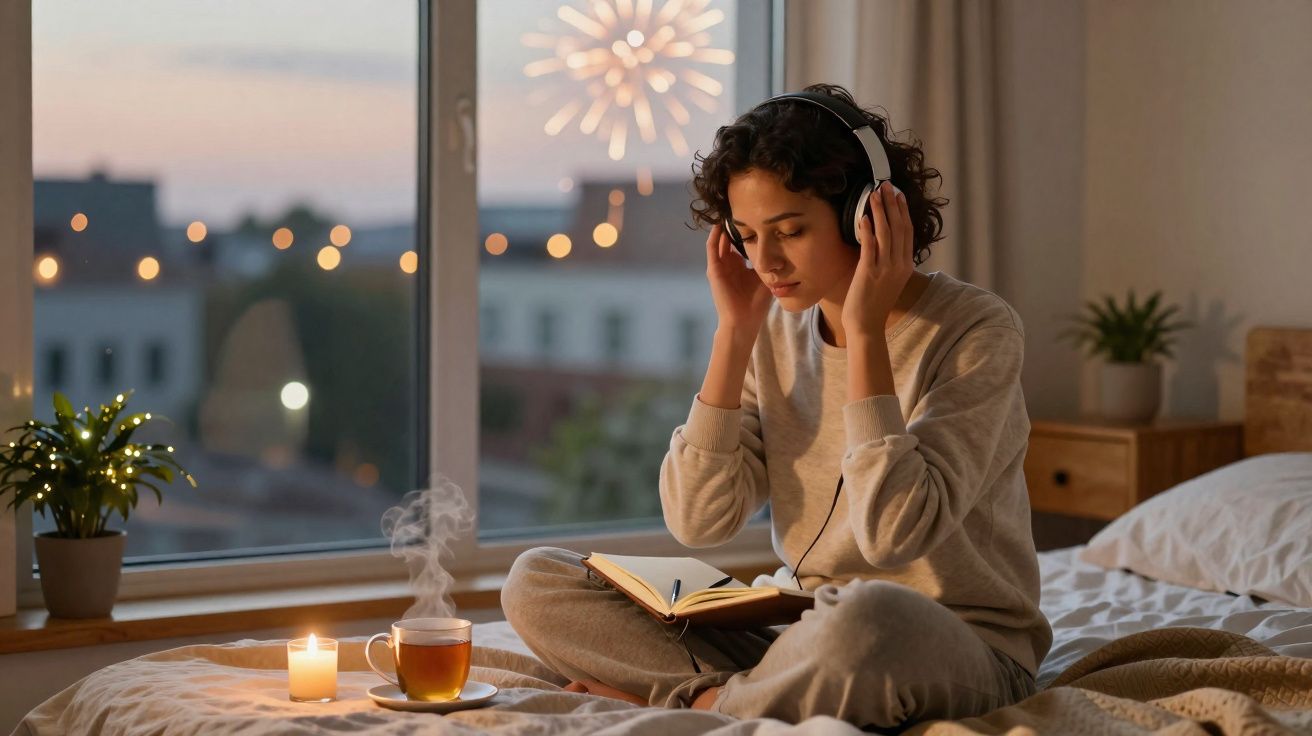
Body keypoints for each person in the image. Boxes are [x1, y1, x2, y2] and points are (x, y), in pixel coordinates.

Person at [501, 83, 1051, 730]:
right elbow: (699, 519)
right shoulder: (775, 329)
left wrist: (866, 334)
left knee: (867, 618)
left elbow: (893, 533)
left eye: (789, 231)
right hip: (801, 628)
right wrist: (733, 335)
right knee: (536, 579)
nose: (766, 261)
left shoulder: (977, 332)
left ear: (865, 215)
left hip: (945, 643)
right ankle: (743, 698)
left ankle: (709, 706)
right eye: (748, 236)